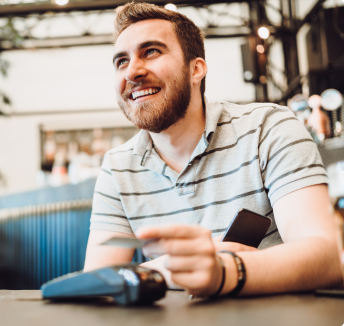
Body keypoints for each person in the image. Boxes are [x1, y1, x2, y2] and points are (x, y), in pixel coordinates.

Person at [83, 2, 343, 298]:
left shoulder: (268, 127)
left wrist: (222, 272)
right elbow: (96, 283)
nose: (133, 71)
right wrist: (171, 266)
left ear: (196, 69)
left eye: (151, 51)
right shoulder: (118, 167)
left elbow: (328, 256)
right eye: (121, 61)